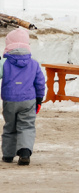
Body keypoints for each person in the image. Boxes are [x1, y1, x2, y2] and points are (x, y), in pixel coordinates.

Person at [2, 28, 45, 165]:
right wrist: (39, 99)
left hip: (10, 100)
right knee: (26, 126)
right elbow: (40, 83)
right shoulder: (34, 63)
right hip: (28, 100)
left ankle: (8, 155)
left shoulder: (5, 63)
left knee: (10, 126)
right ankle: (25, 152)